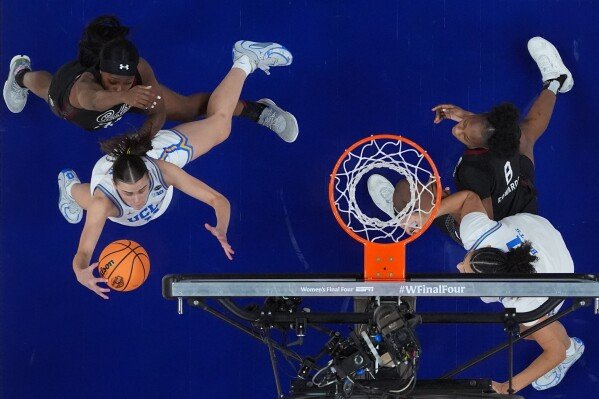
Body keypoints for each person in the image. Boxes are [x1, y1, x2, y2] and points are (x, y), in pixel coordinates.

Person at [57, 39, 293, 299]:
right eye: (129, 193)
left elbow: (217, 200)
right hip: (109, 187)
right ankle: (68, 187)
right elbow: (83, 253)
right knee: (87, 200)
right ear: (115, 186)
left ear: (150, 176)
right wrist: (80, 272)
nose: (137, 200)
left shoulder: (163, 169)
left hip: (153, 154)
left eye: (141, 190)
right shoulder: (105, 201)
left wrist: (221, 225)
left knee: (221, 127)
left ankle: (245, 59)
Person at [367, 37, 572, 241]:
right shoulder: (506, 137)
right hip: (522, 205)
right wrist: (465, 116)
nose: (457, 131)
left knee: (405, 189)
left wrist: (445, 201)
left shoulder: (472, 171)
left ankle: (399, 212)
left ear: (483, 146)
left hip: (499, 232)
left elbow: (485, 222)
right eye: (465, 124)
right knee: (525, 133)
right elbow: (490, 127)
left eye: (465, 135)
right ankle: (556, 80)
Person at [3, 15, 298, 142]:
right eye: (112, 81)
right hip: (71, 107)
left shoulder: (139, 68)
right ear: (100, 72)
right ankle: (20, 74)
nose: (119, 84)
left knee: (188, 109)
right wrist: (123, 95)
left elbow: (157, 110)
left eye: (126, 80)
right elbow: (95, 99)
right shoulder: (85, 89)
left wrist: (146, 133)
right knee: (43, 88)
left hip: (130, 99)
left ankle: (255, 110)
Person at [435, 189, 584, 393]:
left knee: (527, 332)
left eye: (466, 271)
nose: (459, 266)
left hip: (559, 267)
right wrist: (429, 214)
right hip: (537, 231)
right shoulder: (478, 232)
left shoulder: (524, 301)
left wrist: (507, 388)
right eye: (467, 261)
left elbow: (554, 352)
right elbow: (468, 197)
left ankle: (572, 349)